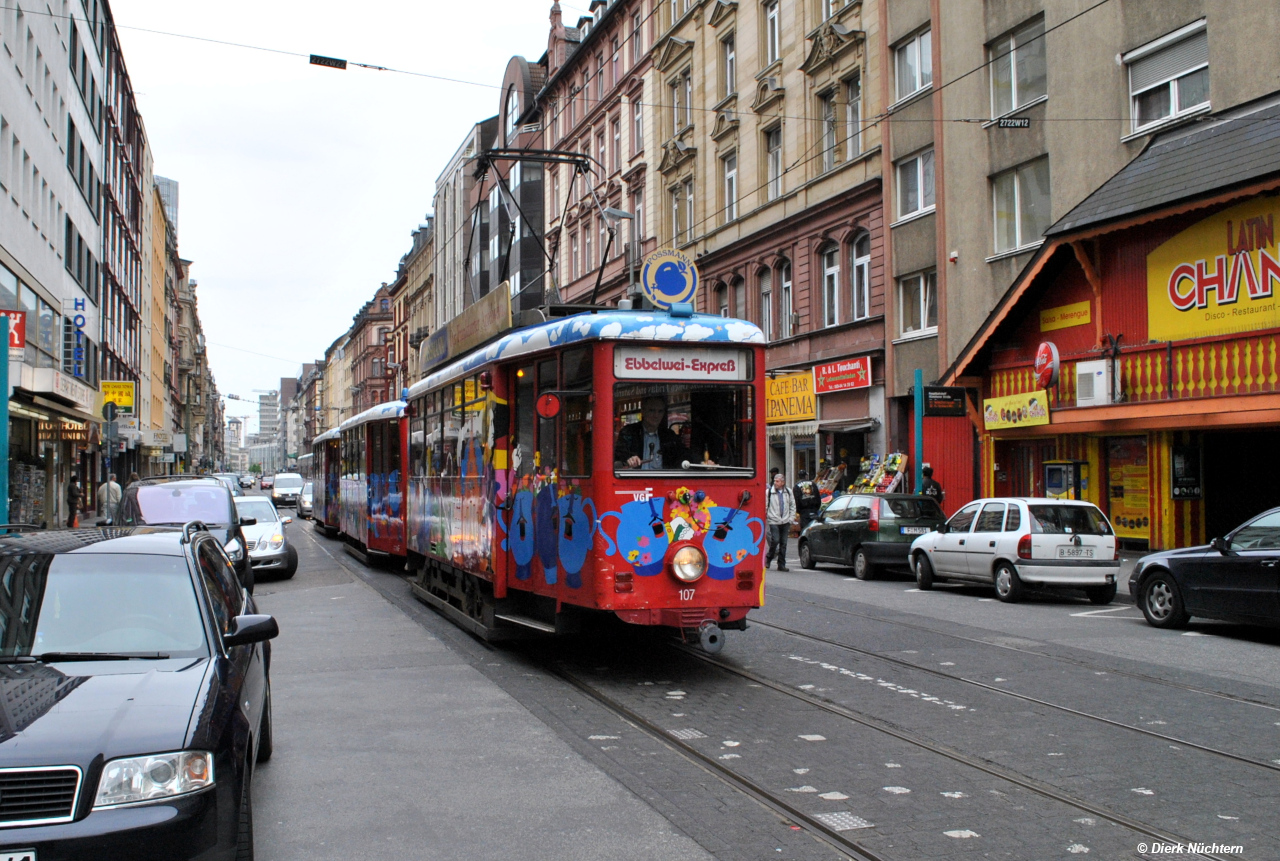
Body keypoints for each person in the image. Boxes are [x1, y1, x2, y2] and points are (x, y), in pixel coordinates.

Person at [614, 395, 697, 469]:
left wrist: (702, 462)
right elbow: (618, 454)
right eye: (652, 410)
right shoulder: (629, 432)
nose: (656, 415)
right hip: (635, 481)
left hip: (662, 482)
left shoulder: (669, 436)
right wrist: (629, 458)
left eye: (660, 411)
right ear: (643, 411)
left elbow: (684, 455)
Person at [764, 473, 796, 571]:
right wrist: (768, 516)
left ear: (783, 482)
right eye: (774, 481)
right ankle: (769, 558)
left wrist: (791, 518)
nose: (775, 483)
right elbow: (765, 506)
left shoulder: (788, 492)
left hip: (785, 520)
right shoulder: (769, 492)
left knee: (784, 543)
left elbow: (792, 505)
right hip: (773, 520)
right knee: (775, 540)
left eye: (777, 481)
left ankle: (781, 564)